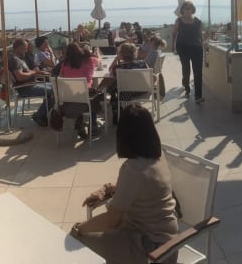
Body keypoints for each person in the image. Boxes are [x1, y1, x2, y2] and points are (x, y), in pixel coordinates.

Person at [72, 106, 179, 264]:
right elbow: (136, 189)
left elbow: (111, 221)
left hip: (152, 250)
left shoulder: (133, 170)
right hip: (168, 242)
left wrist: (78, 229)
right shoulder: (156, 155)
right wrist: (106, 189)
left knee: (77, 241)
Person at [56, 42, 101, 136]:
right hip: (85, 99)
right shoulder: (89, 60)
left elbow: (60, 78)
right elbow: (98, 61)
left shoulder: (64, 63)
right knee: (95, 96)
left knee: (78, 94)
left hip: (68, 100)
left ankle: (79, 123)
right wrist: (97, 52)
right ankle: (93, 126)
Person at [9, 39, 55, 128]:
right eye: (25, 48)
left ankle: (42, 113)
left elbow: (28, 72)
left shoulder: (19, 58)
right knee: (54, 91)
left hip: (32, 84)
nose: (26, 51)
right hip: (27, 89)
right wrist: (34, 72)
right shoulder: (14, 60)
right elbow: (20, 76)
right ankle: (39, 115)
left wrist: (38, 72)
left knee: (56, 86)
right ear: (18, 48)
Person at [170, 1, 206, 103]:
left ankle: (198, 96)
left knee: (198, 72)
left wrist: (202, 45)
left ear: (192, 10)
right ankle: (187, 88)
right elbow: (174, 33)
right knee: (186, 70)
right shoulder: (179, 21)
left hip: (196, 49)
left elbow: (200, 35)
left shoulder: (198, 21)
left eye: (189, 8)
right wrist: (172, 45)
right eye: (185, 8)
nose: (187, 10)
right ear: (182, 10)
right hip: (183, 48)